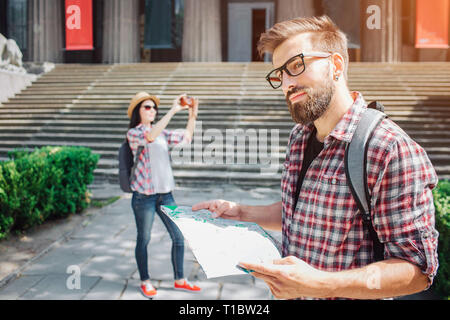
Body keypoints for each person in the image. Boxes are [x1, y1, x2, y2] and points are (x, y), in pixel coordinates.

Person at [192, 16, 439, 300]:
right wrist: (242, 212)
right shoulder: (300, 136)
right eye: (279, 75)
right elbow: (301, 213)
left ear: (335, 66)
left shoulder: (388, 148)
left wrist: (318, 284)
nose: (286, 83)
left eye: (296, 66)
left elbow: (417, 270)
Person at [127, 91, 201, 298]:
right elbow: (149, 136)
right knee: (144, 238)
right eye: (147, 107)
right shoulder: (134, 134)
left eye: (153, 107)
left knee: (178, 236)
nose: (152, 110)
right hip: (144, 197)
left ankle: (180, 279)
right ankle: (145, 281)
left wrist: (192, 114)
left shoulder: (164, 134)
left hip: (165, 195)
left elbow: (186, 138)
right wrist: (174, 109)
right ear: (138, 112)